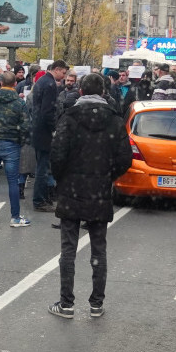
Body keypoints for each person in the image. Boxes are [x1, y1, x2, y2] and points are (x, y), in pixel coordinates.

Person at [47, 73, 131, 318]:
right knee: (98, 248)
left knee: (68, 249)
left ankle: (66, 303)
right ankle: (96, 303)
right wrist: (107, 174)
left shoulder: (69, 117)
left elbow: (57, 154)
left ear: (81, 91)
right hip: (99, 189)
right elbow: (125, 158)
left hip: (72, 189)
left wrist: (63, 177)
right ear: (104, 92)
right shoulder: (114, 120)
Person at [0, 71, 32, 227]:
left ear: (1, 83)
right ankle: (15, 217)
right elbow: (26, 126)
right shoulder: (19, 103)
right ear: (15, 84)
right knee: (13, 182)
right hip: (11, 144)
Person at [30, 60, 68, 211]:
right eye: (64, 73)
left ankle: (42, 198)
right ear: (57, 69)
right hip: (44, 132)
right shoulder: (51, 84)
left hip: (37, 129)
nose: (64, 77)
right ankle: (39, 201)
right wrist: (54, 129)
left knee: (42, 166)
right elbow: (48, 112)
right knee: (43, 168)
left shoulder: (41, 81)